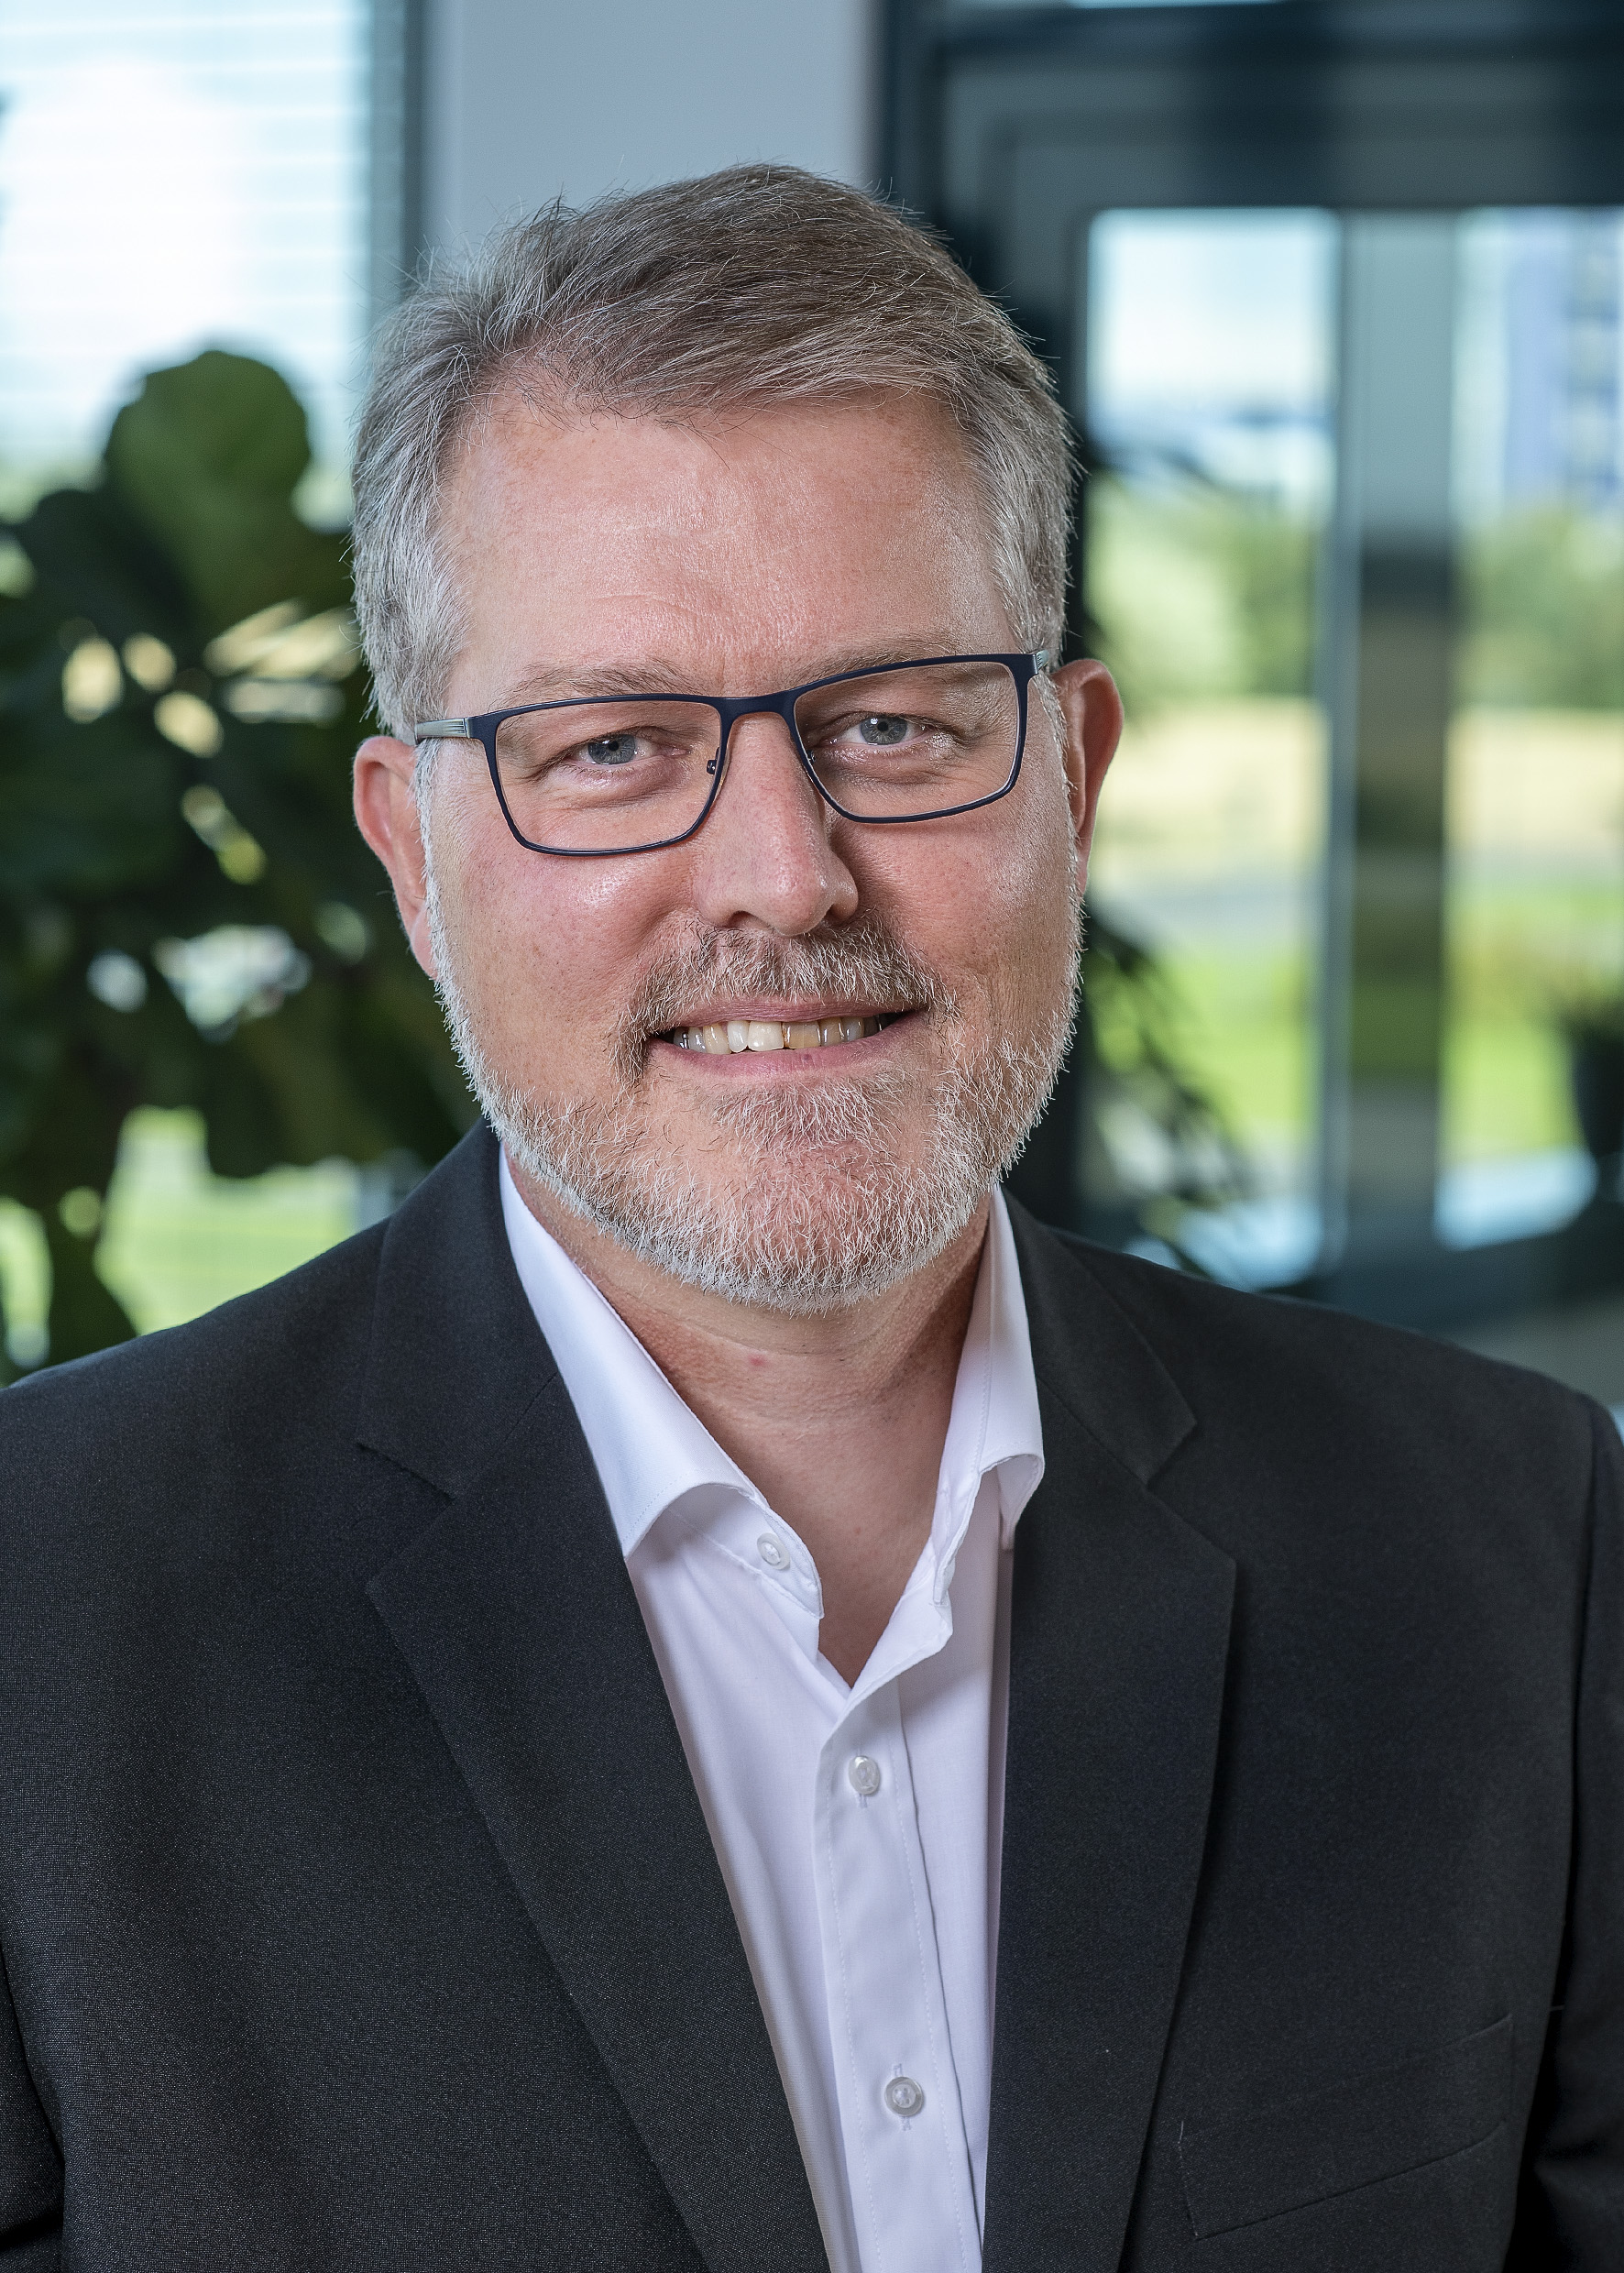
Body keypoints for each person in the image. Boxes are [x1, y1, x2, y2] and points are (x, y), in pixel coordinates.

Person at [0, 166, 1618, 2273]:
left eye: (892, 723)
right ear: (413, 852)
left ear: (1071, 772)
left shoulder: (1515, 1547)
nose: (783, 874)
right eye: (611, 745)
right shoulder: (41, 1615)